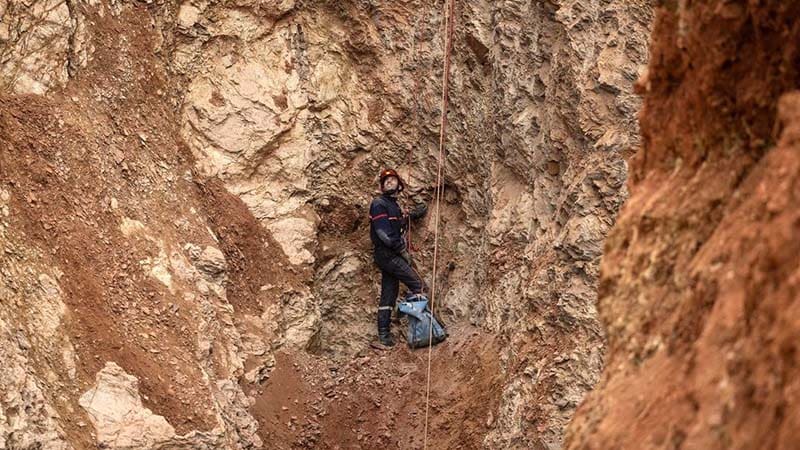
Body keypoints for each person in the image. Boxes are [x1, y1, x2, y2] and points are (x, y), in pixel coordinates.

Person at [369, 168, 427, 348]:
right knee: (418, 284)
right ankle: (421, 329)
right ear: (382, 186)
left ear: (399, 185)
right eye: (386, 181)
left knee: (389, 293)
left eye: (393, 179)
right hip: (387, 254)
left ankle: (384, 336)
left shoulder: (393, 206)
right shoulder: (379, 204)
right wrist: (402, 250)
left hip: (387, 255)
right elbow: (383, 233)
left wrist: (412, 216)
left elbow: (397, 223)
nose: (389, 182)